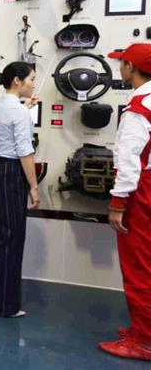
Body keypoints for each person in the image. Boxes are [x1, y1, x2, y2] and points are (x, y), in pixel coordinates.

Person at [99, 44, 151, 361]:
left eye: (122, 63)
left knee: (138, 267)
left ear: (130, 67)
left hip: (140, 193)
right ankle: (143, 328)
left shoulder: (138, 108)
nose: (119, 67)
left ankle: (144, 342)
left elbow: (131, 161)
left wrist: (118, 203)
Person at [0, 61, 40, 318]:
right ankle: (7, 306)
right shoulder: (19, 112)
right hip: (10, 172)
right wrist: (33, 186)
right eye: (31, 79)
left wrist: (25, 108)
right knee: (12, 237)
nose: (33, 84)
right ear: (17, 81)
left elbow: (11, 120)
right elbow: (25, 152)